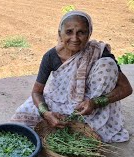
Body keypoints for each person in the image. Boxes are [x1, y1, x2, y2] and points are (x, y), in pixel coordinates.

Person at [11, 10, 132, 143]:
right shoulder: (51, 56)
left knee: (107, 64)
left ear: (89, 33)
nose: (75, 38)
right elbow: (36, 92)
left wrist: (95, 103)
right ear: (59, 34)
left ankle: (86, 121)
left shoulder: (99, 52)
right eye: (69, 32)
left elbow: (126, 89)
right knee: (23, 115)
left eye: (81, 32)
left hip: (89, 106)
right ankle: (76, 123)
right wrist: (46, 113)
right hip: (59, 100)